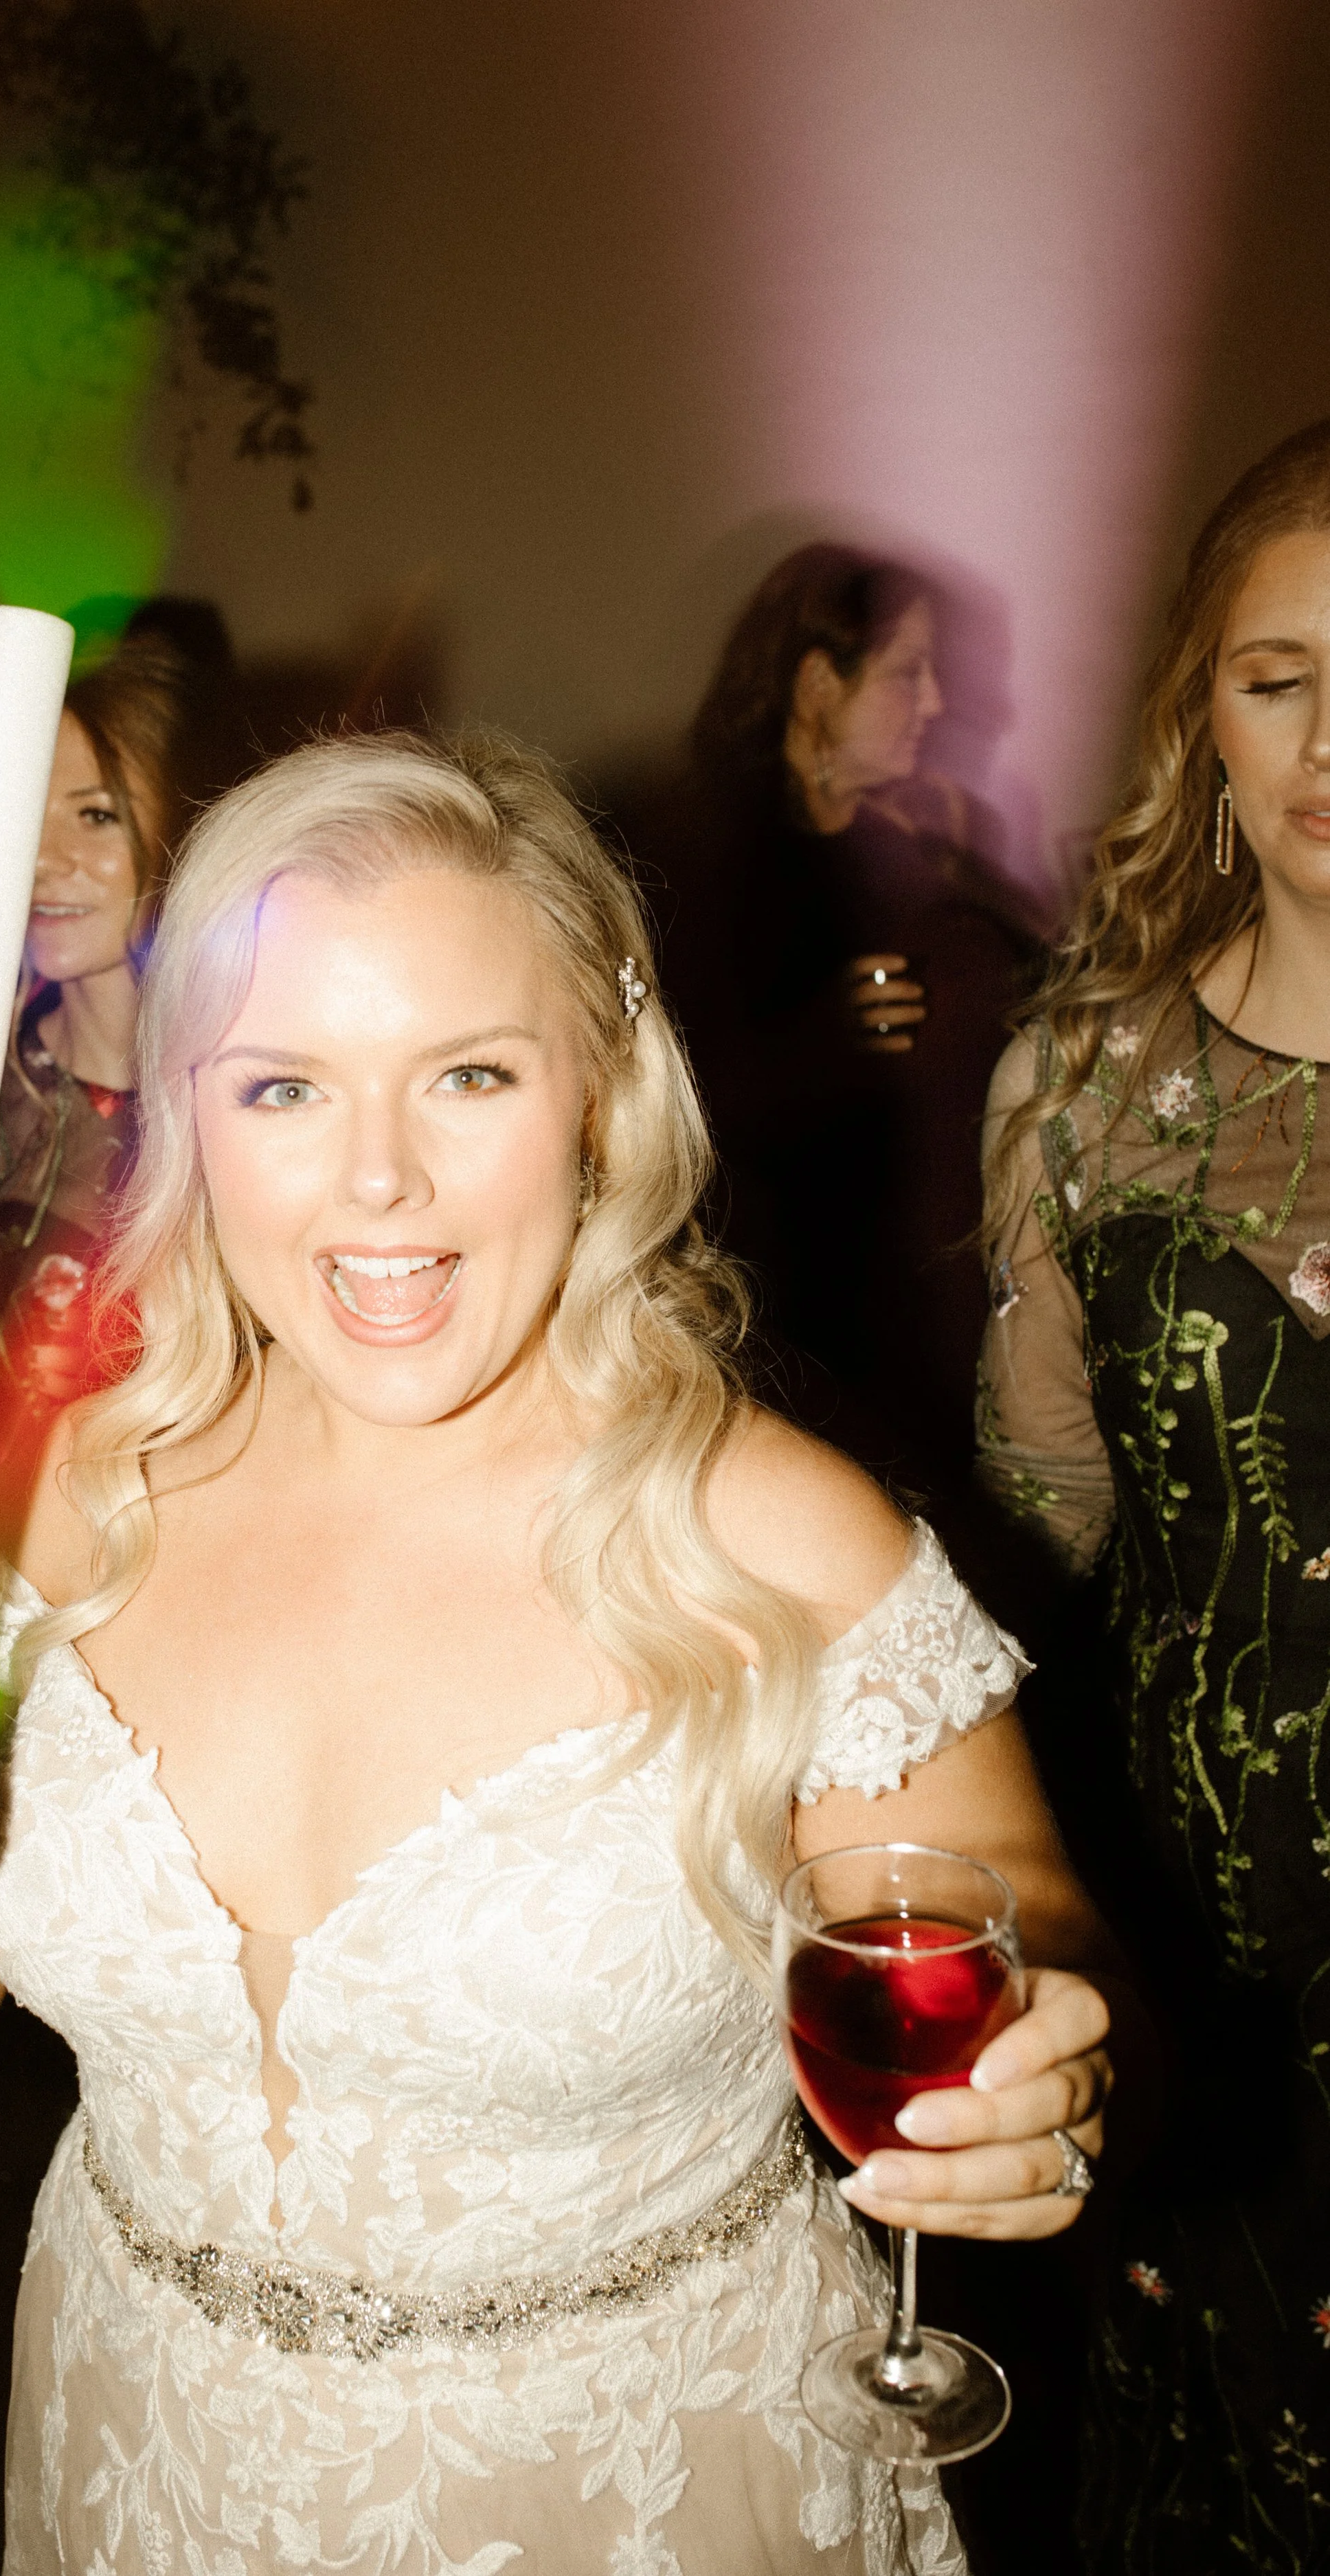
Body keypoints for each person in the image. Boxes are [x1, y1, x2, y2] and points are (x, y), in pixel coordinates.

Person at [0, 732, 1120, 2576]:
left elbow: (1015, 1925)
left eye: (467, 1072)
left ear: (600, 1092)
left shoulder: (784, 1545)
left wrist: (1036, 2066)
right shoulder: (60, 1507)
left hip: (638, 2493)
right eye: (284, 1085)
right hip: (142, 2450)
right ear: (189, 1114)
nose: (376, 1178)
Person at [979, 420, 1330, 2574]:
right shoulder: (1082, 1082)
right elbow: (1038, 1538)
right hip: (1210, 1943)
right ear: (1202, 715)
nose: (1326, 741)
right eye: (1276, 678)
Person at [675, 545, 1038, 1512]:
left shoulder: (905, 847)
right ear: (816, 685)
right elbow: (685, 1115)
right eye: (906, 673)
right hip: (805, 1348)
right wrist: (830, 1039)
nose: (934, 703)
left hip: (934, 1314)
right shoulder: (715, 865)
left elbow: (1045, 993)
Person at [0, 642, 230, 1566]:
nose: (40, 860)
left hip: (159, 1571)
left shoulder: (257, 1104)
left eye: (96, 815)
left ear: (187, 827)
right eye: (23, 813)